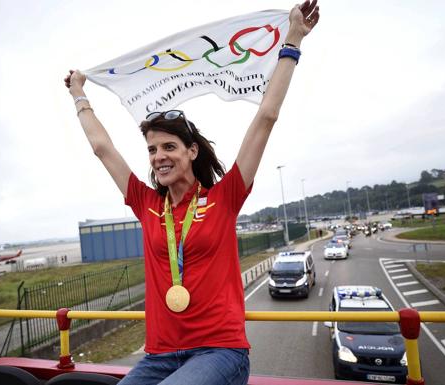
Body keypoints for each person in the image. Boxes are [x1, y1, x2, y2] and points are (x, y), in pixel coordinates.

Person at [64, 2, 319, 384]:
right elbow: (103, 148)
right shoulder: (146, 204)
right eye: (152, 150)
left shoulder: (226, 196)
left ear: (191, 151)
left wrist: (293, 40)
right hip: (160, 356)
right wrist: (79, 94)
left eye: (168, 147)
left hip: (220, 352)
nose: (159, 157)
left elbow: (266, 116)